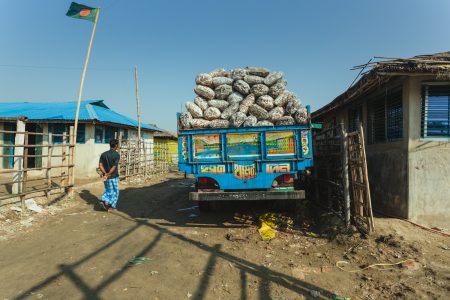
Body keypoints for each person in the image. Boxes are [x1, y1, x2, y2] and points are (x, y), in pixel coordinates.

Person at [98, 139, 120, 212]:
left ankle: (104, 200)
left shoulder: (103, 154)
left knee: (108, 190)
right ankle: (111, 206)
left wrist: (105, 174)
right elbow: (114, 167)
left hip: (105, 177)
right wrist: (109, 174)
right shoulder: (116, 155)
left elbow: (100, 165)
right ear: (116, 145)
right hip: (113, 176)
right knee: (115, 192)